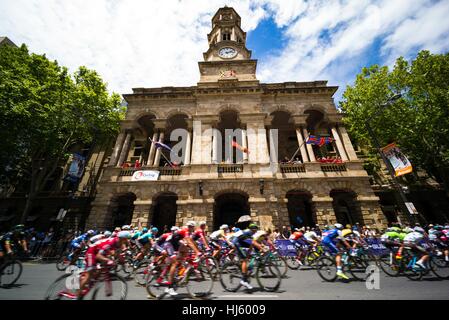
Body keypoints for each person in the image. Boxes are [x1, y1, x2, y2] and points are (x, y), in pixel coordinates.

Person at [77, 231, 131, 299]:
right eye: (127, 239)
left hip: (100, 252)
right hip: (92, 252)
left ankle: (90, 280)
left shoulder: (119, 243)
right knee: (90, 273)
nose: (128, 240)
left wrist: (123, 262)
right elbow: (98, 256)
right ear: (122, 239)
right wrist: (109, 260)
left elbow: (118, 255)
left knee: (101, 269)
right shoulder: (110, 243)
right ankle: (78, 294)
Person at [231, 223, 261, 290]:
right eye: (255, 231)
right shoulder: (246, 232)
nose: (255, 232)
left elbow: (251, 245)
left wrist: (249, 254)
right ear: (252, 229)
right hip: (236, 243)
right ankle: (243, 280)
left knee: (247, 258)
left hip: (242, 243)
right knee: (244, 260)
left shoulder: (250, 234)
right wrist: (261, 247)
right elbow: (252, 242)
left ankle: (244, 273)